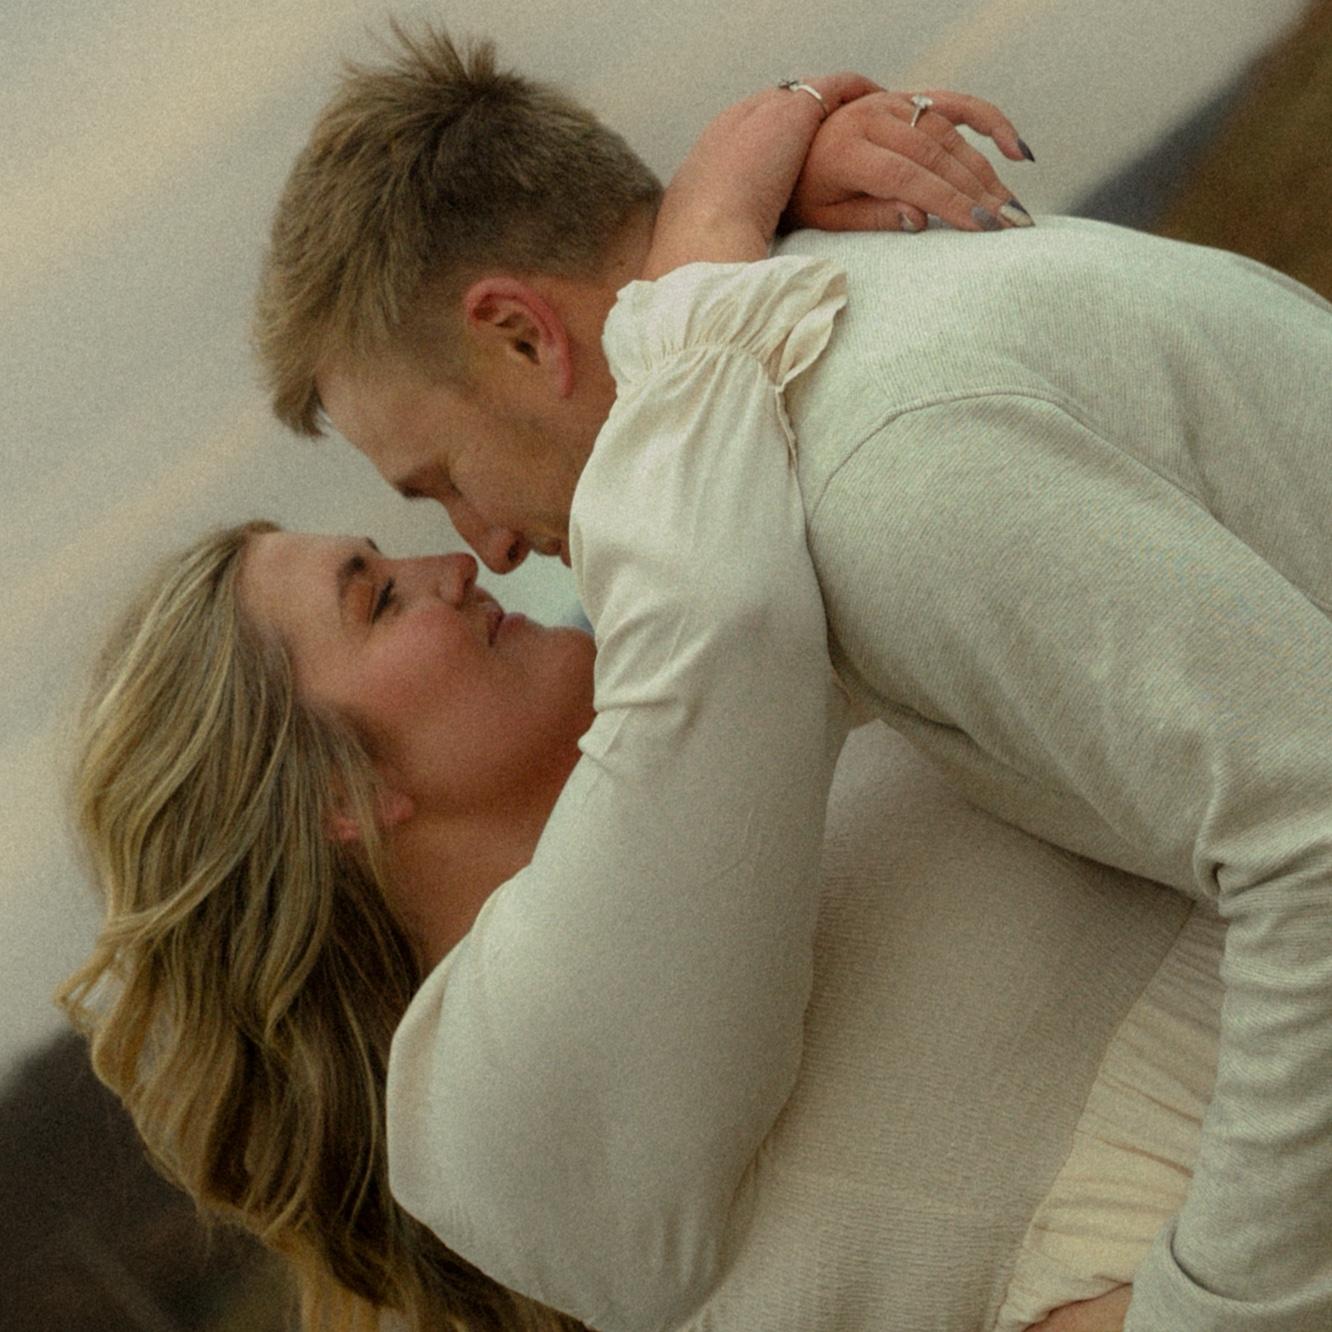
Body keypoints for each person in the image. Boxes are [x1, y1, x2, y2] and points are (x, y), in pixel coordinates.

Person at [63, 58, 1184, 1332]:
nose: (462, 564)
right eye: (376, 598)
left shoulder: (785, 766)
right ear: (332, 789)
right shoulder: (480, 1112)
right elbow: (713, 606)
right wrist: (701, 240)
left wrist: (784, 228)